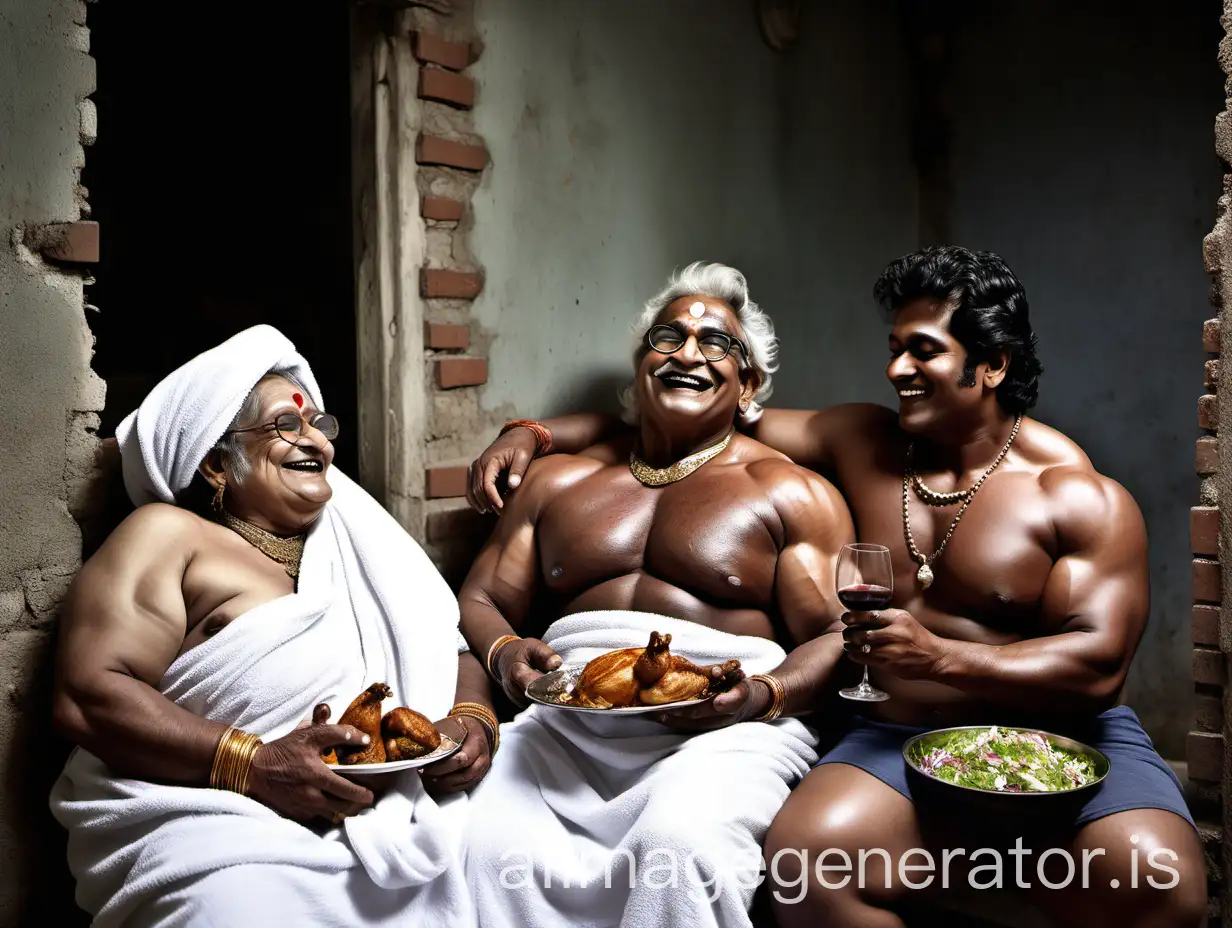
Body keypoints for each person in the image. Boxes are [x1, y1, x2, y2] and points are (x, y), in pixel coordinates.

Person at [464, 246, 1205, 927]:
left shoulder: (1077, 495)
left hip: (1059, 738)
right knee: (802, 869)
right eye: (893, 349)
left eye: (923, 351)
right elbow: (686, 414)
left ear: (992, 365)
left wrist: (940, 657)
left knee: (1163, 882)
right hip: (896, 737)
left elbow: (1099, 667)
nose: (896, 370)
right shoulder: (861, 441)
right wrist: (532, 433)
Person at [50, 325, 495, 928]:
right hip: (217, 815)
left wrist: (472, 721)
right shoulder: (170, 536)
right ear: (214, 461)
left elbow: (451, 648)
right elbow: (87, 695)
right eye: (287, 425)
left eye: (317, 424)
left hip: (396, 810)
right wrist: (252, 765)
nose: (319, 442)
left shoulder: (360, 544)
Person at [458, 262, 854, 928]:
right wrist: (502, 654)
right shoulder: (558, 481)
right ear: (640, 365)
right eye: (667, 337)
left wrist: (761, 696)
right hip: (567, 724)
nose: (688, 352)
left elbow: (838, 635)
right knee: (479, 838)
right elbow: (479, 598)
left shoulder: (789, 491)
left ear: (748, 383)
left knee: (679, 846)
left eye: (717, 343)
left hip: (723, 730)